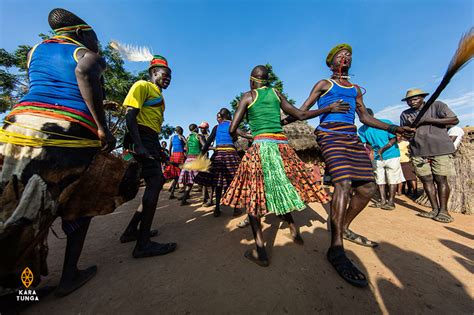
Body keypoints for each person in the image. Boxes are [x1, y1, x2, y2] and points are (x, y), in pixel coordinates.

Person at [0, 8, 118, 297]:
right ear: (80, 33)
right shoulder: (86, 54)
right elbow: (83, 71)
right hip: (64, 135)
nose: (97, 44)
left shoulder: (35, 51)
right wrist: (102, 128)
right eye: (94, 37)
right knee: (80, 201)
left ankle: (17, 282)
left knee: (14, 204)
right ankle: (69, 276)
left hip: (16, 129)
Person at [282, 44, 413, 287]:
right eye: (341, 56)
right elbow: (301, 113)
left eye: (349, 56)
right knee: (343, 183)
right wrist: (322, 110)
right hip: (329, 135)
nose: (346, 58)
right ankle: (336, 248)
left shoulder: (355, 89)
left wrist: (394, 128)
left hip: (351, 137)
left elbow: (364, 118)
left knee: (367, 189)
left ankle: (342, 226)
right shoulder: (324, 84)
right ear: (331, 62)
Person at [222, 65, 343, 267]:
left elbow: (233, 128)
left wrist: (245, 134)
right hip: (282, 147)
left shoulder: (248, 96)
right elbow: (301, 115)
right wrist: (328, 108)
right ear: (267, 81)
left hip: (260, 148)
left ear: (252, 81)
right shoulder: (276, 94)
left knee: (254, 197)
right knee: (281, 186)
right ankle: (294, 230)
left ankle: (260, 251)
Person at [119, 54, 177, 257]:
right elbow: (130, 115)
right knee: (156, 181)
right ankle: (143, 244)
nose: (168, 79)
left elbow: (151, 123)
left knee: (155, 182)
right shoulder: (141, 85)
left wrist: (158, 149)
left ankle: (131, 231)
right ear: (153, 73)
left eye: (170, 76)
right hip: (140, 137)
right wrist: (139, 144)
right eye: (165, 74)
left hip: (149, 138)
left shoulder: (159, 96)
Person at [400, 88, 459, 223]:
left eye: (415, 99)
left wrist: (427, 120)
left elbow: (454, 120)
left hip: (440, 148)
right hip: (418, 150)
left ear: (422, 98)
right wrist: (407, 133)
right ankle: (434, 209)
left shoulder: (436, 105)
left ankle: (444, 211)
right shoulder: (405, 114)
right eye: (409, 100)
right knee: (426, 180)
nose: (412, 102)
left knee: (440, 179)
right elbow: (404, 133)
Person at [195, 108, 252, 217]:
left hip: (219, 155)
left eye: (219, 116)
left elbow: (207, 143)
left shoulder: (216, 128)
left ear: (222, 116)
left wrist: (201, 155)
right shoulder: (232, 125)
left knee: (218, 182)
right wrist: (257, 137)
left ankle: (216, 208)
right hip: (231, 155)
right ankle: (235, 209)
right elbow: (243, 134)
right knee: (233, 182)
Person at [358, 109, 403, 210]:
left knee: (392, 179)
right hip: (377, 157)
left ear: (371, 116)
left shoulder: (385, 123)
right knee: (379, 179)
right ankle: (382, 200)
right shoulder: (361, 130)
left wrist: (383, 149)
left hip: (392, 155)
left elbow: (394, 138)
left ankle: (391, 202)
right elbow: (366, 143)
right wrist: (373, 150)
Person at [177, 124, 205, 205]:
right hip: (196, 159)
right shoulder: (199, 136)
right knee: (203, 179)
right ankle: (205, 199)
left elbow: (186, 149)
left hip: (188, 160)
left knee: (190, 181)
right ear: (196, 129)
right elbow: (204, 146)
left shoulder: (188, 137)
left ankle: (184, 200)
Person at [164, 126, 186, 199]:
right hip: (180, 155)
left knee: (176, 176)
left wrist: (170, 157)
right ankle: (186, 193)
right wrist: (186, 151)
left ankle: (172, 193)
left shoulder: (172, 138)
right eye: (182, 130)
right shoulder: (181, 136)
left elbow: (170, 148)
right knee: (183, 172)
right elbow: (188, 143)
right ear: (180, 131)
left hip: (173, 156)